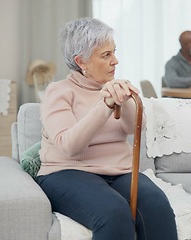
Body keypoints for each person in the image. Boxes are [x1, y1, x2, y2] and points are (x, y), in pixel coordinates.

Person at [35, 18, 178, 240]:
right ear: (81, 61)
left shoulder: (114, 89)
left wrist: (126, 101)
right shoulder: (59, 92)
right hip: (67, 172)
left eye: (114, 52)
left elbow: (132, 128)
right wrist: (105, 106)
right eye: (106, 55)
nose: (116, 61)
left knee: (157, 205)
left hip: (119, 171)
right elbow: (69, 146)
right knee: (114, 212)